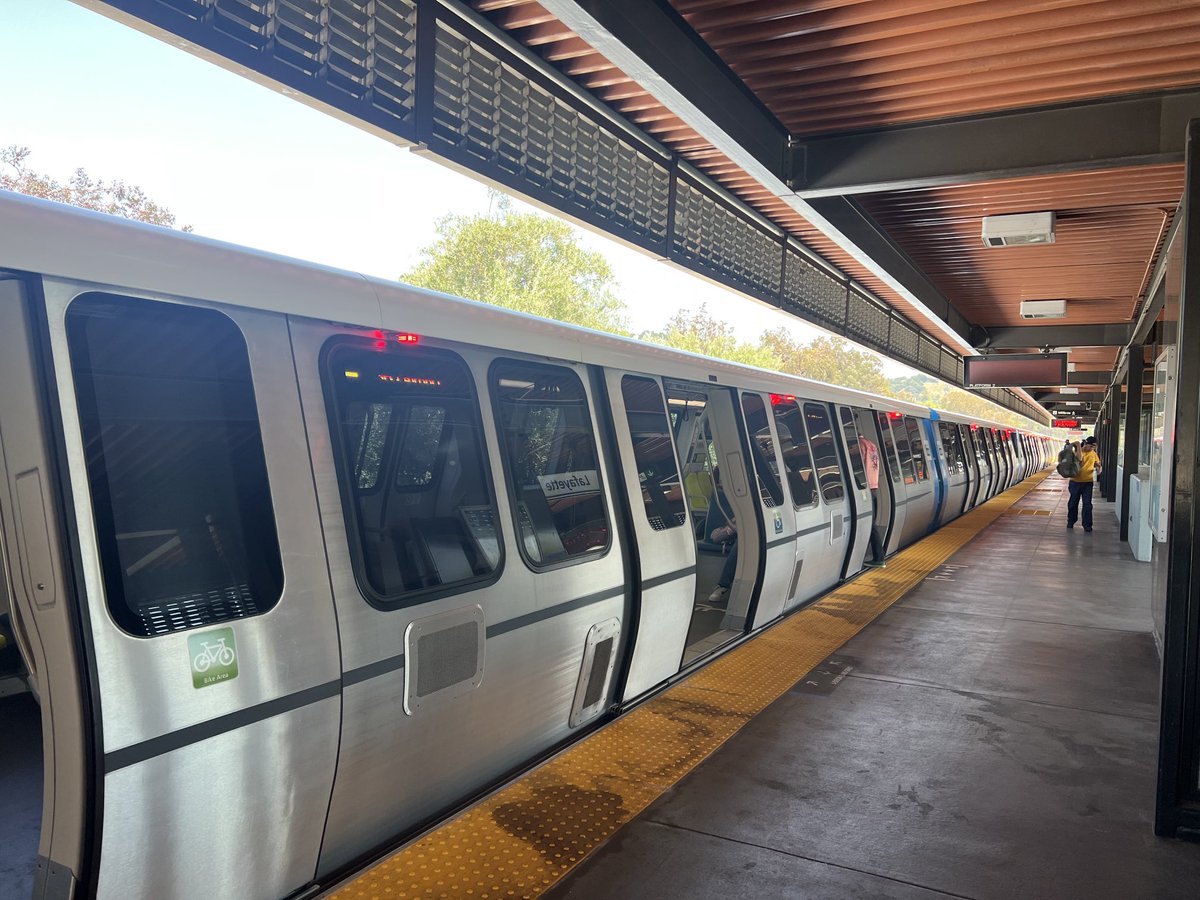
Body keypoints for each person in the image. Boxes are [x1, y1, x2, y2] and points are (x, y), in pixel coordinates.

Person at [859, 432, 886, 568]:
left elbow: (858, 466)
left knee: (870, 525)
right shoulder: (871, 445)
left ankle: (879, 557)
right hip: (874, 485)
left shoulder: (859, 445)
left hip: (865, 487)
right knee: (872, 523)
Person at [1067, 435, 1101, 532]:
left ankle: (1087, 525)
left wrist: (1099, 468)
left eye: (1094, 447)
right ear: (1085, 444)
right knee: (1073, 503)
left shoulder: (1093, 454)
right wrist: (1078, 445)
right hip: (1075, 482)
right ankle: (1071, 521)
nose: (1092, 449)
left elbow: (1097, 464)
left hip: (1088, 483)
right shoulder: (1077, 452)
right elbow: (1079, 459)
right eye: (1091, 446)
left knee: (1087, 505)